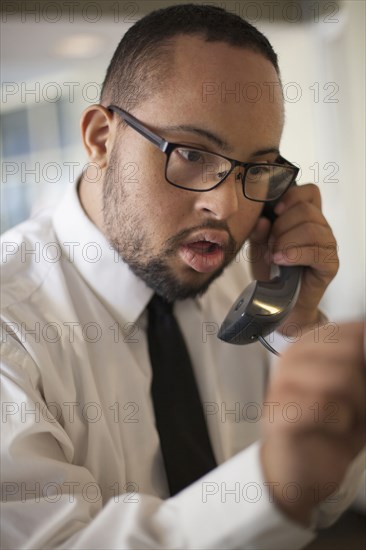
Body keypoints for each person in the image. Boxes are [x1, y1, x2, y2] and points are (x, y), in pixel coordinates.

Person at [1, 4, 365, 549]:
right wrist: (268, 484)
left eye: (256, 170)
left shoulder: (250, 299)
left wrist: (296, 326)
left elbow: (321, 503)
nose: (225, 207)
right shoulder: (12, 325)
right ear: (102, 140)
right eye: (193, 153)